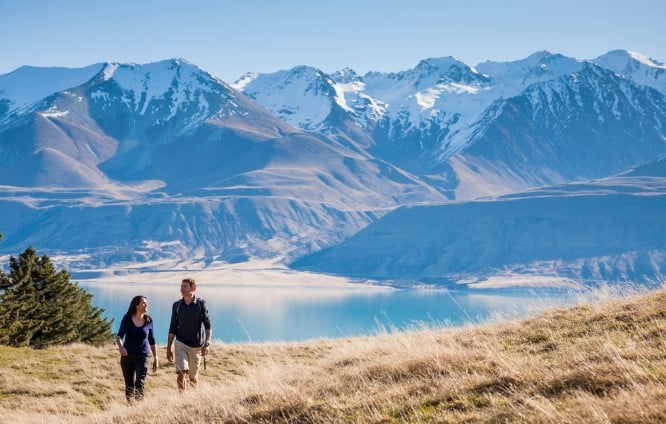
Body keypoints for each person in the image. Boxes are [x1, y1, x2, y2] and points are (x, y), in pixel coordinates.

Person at [166, 277, 212, 391]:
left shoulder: (201, 304)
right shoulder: (177, 305)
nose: (182, 289)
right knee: (182, 372)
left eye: (185, 286)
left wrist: (207, 343)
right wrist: (168, 348)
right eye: (181, 286)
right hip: (180, 343)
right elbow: (172, 327)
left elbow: (208, 326)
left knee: (193, 378)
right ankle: (181, 398)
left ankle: (192, 399)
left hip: (196, 346)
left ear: (193, 288)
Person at [115, 295, 158, 403]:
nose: (146, 305)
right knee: (129, 385)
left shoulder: (149, 320)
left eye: (146, 302)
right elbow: (119, 336)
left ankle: (139, 407)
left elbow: (152, 340)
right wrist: (121, 347)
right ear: (136, 306)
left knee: (140, 382)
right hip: (127, 356)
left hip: (143, 355)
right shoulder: (127, 318)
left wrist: (156, 357)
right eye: (143, 303)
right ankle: (130, 407)